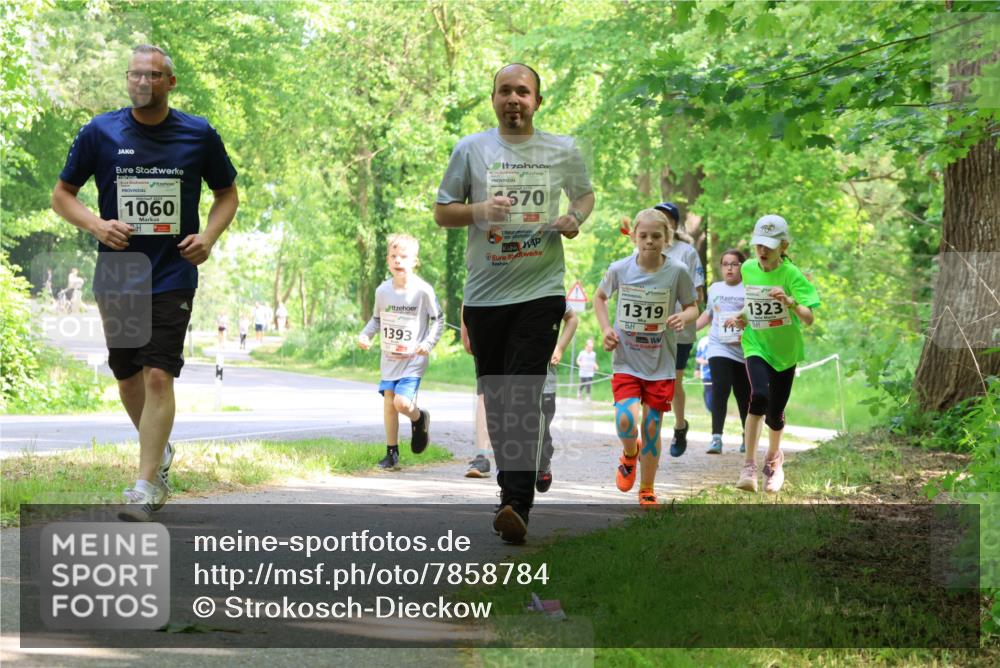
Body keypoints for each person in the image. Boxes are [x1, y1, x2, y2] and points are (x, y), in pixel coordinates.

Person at [51, 44, 239, 521]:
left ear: (170, 82)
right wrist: (97, 225)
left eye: (153, 76)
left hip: (173, 270)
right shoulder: (101, 131)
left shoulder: (198, 134)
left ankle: (145, 482)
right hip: (119, 271)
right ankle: (160, 453)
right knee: (128, 375)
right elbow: (62, 195)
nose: (142, 83)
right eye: (135, 74)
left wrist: (209, 237)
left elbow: (226, 194)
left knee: (159, 373)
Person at [434, 63, 595, 544]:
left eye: (523, 92)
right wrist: (480, 211)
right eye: (505, 91)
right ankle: (518, 484)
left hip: (540, 290)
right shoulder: (471, 149)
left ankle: (514, 501)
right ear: (493, 99)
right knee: (500, 399)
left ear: (537, 101)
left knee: (522, 389)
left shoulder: (562, 149)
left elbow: (584, 197)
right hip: (485, 295)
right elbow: (443, 213)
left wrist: (573, 218)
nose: (514, 99)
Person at [594, 208, 697, 506]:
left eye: (656, 236)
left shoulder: (676, 270)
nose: (649, 241)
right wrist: (605, 329)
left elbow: (693, 306)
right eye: (643, 236)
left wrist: (683, 317)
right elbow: (599, 298)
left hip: (660, 363)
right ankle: (629, 455)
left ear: (666, 238)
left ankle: (647, 488)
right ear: (634, 237)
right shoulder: (620, 269)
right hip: (627, 360)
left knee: (652, 427)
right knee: (626, 420)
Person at [725, 216, 820, 493]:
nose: (762, 252)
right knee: (759, 397)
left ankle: (774, 461)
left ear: (784, 245)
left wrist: (790, 302)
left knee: (775, 413)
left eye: (769, 246)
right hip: (756, 344)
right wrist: (740, 316)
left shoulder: (792, 275)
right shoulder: (748, 269)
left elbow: (809, 318)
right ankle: (749, 466)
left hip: (785, 352)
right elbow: (753, 304)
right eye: (758, 246)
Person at [358, 234, 442, 469]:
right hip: (390, 358)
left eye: (404, 256)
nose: (398, 260)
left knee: (401, 403)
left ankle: (419, 418)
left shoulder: (423, 290)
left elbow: (438, 320)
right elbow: (376, 319)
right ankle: (392, 453)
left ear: (415, 261)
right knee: (389, 403)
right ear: (387, 260)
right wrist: (366, 335)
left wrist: (428, 343)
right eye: (394, 256)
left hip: (414, 358)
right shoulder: (382, 291)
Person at [652, 202, 705, 458]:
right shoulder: (647, 248)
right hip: (651, 328)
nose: (660, 222)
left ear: (674, 224)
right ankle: (653, 436)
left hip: (680, 329)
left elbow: (698, 294)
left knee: (674, 381)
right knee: (654, 381)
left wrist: (683, 315)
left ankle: (680, 426)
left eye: (665, 218)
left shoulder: (687, 252)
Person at [695, 249, 750, 455]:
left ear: (741, 267)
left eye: (734, 264)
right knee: (720, 388)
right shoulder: (715, 288)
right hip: (718, 346)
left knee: (744, 394)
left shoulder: (749, 289)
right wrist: (689, 330)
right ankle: (716, 437)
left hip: (743, 349)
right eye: (725, 263)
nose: (729, 268)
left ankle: (747, 436)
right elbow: (708, 315)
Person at [537, 305, 579, 493]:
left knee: (542, 429)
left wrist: (560, 347)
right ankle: (509, 481)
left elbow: (572, 318)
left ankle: (543, 463)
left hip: (545, 381)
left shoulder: (552, 290)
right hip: (514, 378)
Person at [460, 305, 493, 479]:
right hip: (485, 330)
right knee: (485, 395)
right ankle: (482, 456)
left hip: (516, 329)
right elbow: (471, 288)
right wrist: (465, 331)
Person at [694, 334, 712, 412]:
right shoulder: (703, 341)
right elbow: (698, 358)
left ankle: (714, 408)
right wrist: (697, 369)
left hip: (718, 372)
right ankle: (709, 409)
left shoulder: (721, 339)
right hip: (706, 373)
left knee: (717, 391)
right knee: (708, 390)